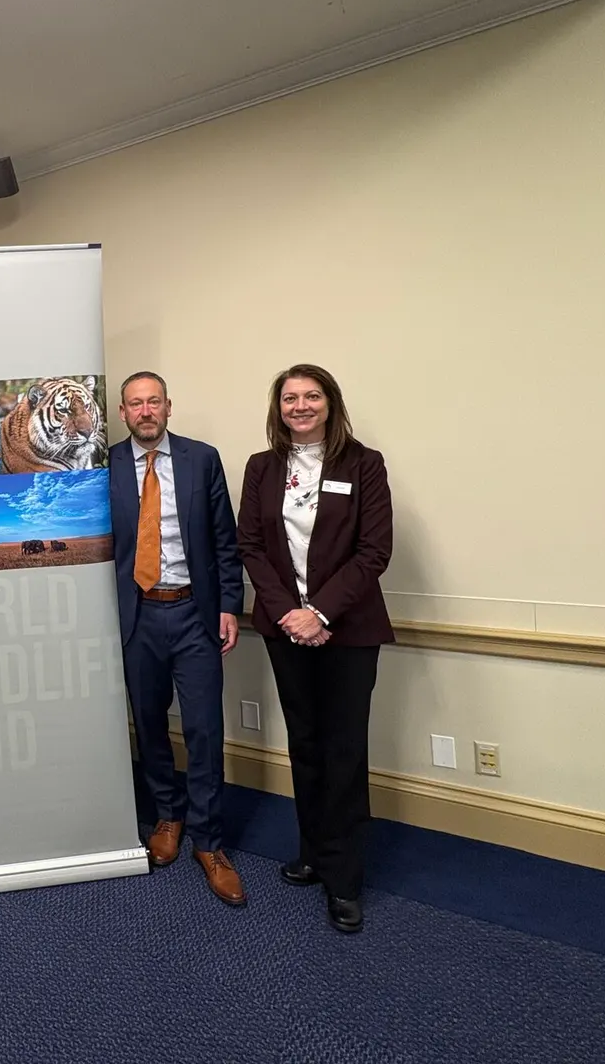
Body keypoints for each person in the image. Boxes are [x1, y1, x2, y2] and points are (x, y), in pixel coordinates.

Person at [237, 365, 394, 933]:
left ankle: (345, 879)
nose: (300, 406)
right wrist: (289, 614)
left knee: (344, 750)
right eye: (289, 398)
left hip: (346, 631)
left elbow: (374, 552)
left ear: (330, 402)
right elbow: (250, 545)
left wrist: (320, 612)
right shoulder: (263, 468)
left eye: (311, 396)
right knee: (304, 744)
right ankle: (313, 852)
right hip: (287, 629)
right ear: (278, 408)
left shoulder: (363, 464)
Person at [109, 372, 246, 906]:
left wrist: (230, 605)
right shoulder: (106, 467)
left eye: (154, 402)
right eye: (135, 403)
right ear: (123, 412)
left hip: (194, 613)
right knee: (148, 723)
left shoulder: (200, 459)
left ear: (169, 407)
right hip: (137, 615)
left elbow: (224, 540)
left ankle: (210, 842)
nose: (146, 411)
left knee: (204, 729)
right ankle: (168, 816)